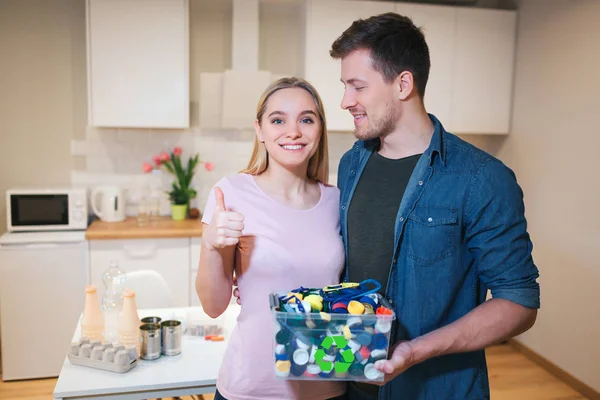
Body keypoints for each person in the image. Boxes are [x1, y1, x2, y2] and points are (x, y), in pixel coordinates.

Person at [329, 12, 541, 400]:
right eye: (345, 86)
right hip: (348, 384)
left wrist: (414, 351)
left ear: (403, 84)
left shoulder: (481, 178)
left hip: (435, 388)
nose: (345, 102)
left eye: (357, 86)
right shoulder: (351, 163)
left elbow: (519, 302)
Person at [196, 77, 346, 400]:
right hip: (250, 388)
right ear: (260, 130)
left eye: (306, 119)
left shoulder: (338, 202)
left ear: (320, 131)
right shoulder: (231, 193)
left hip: (326, 386)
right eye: (278, 120)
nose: (293, 131)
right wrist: (210, 244)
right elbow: (212, 305)